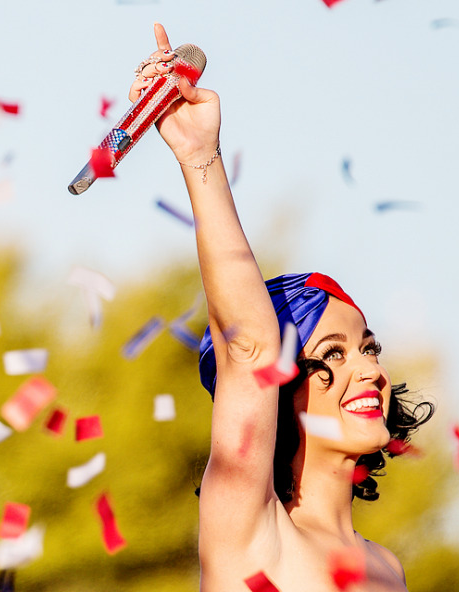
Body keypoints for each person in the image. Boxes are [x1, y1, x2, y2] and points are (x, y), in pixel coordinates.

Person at [130, 24, 433, 592]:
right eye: (332, 354)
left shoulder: (388, 568)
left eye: (367, 348)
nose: (369, 369)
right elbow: (248, 348)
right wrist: (200, 156)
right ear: (277, 385)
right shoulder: (249, 532)